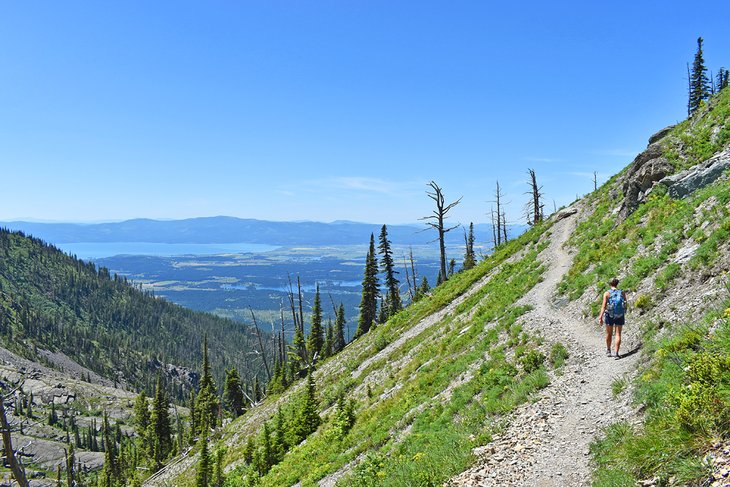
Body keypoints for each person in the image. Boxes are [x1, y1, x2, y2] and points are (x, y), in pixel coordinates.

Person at [599, 278, 627, 358]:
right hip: (620, 315)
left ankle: (608, 350)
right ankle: (616, 353)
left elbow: (603, 306)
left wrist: (600, 317)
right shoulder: (622, 292)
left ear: (610, 284)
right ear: (617, 284)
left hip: (609, 315)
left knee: (609, 333)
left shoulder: (607, 293)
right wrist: (622, 313)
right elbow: (625, 305)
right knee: (618, 334)